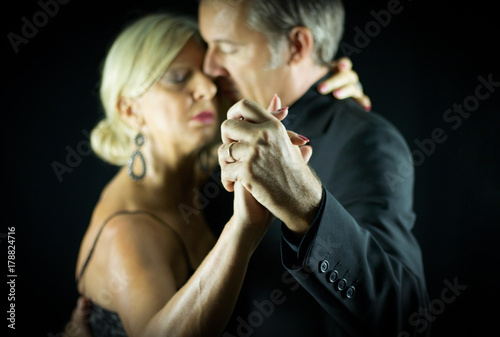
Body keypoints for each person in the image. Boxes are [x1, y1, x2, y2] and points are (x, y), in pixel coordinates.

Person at [65, 9, 370, 337]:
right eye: (179, 78)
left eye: (211, 79)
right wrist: (243, 230)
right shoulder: (126, 230)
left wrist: (330, 95)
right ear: (130, 110)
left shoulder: (206, 181)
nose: (206, 90)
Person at [197, 0, 430, 336]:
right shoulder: (214, 118)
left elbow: (405, 318)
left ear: (297, 45)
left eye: (227, 48)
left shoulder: (364, 139)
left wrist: (304, 205)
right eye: (207, 46)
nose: (209, 67)